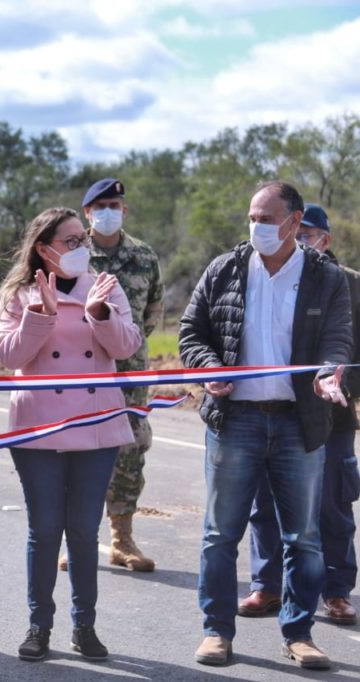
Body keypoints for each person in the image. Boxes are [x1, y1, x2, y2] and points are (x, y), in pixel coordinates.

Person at [179, 181, 352, 670]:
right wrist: (209, 366)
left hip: (300, 424)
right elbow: (192, 333)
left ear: (295, 223)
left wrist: (326, 374)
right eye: (252, 217)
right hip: (236, 422)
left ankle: (298, 634)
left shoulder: (325, 277)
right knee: (220, 534)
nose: (256, 226)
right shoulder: (225, 268)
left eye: (266, 218)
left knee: (304, 538)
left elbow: (337, 340)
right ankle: (216, 631)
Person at [0, 206, 142, 663]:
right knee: (45, 529)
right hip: (39, 427)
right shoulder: (19, 293)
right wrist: (39, 314)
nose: (82, 248)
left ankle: (85, 625)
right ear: (44, 248)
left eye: (83, 240)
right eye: (71, 241)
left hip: (96, 427)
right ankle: (40, 626)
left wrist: (99, 313)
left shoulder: (105, 286)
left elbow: (127, 345)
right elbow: (6, 354)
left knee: (82, 529)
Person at [238, 203, 360, 626]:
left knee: (332, 506)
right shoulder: (268, 276)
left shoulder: (349, 285)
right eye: (296, 232)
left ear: (325, 240)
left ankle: (337, 591)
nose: (299, 241)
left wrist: (337, 386)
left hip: (333, 417)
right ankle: (266, 586)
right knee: (267, 505)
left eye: (307, 235)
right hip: (279, 415)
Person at [81, 178, 164, 572]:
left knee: (130, 449)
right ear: (87, 213)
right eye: (100, 206)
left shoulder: (144, 256)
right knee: (80, 448)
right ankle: (78, 537)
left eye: (114, 204)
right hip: (82, 369)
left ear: (125, 210)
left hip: (130, 373)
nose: (108, 212)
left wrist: (124, 344)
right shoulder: (73, 252)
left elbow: (153, 312)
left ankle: (122, 539)